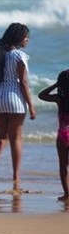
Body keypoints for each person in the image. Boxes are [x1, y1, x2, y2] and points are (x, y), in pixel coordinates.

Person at [0, 23, 36, 191]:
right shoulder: (19, 56)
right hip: (15, 99)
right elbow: (24, 83)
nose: (27, 39)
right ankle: (16, 177)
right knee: (16, 139)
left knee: (1, 136)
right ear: (18, 38)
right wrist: (32, 107)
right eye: (26, 36)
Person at [37, 69, 69, 201]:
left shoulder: (59, 98)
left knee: (63, 165)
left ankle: (67, 194)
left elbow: (41, 95)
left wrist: (56, 85)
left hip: (63, 134)